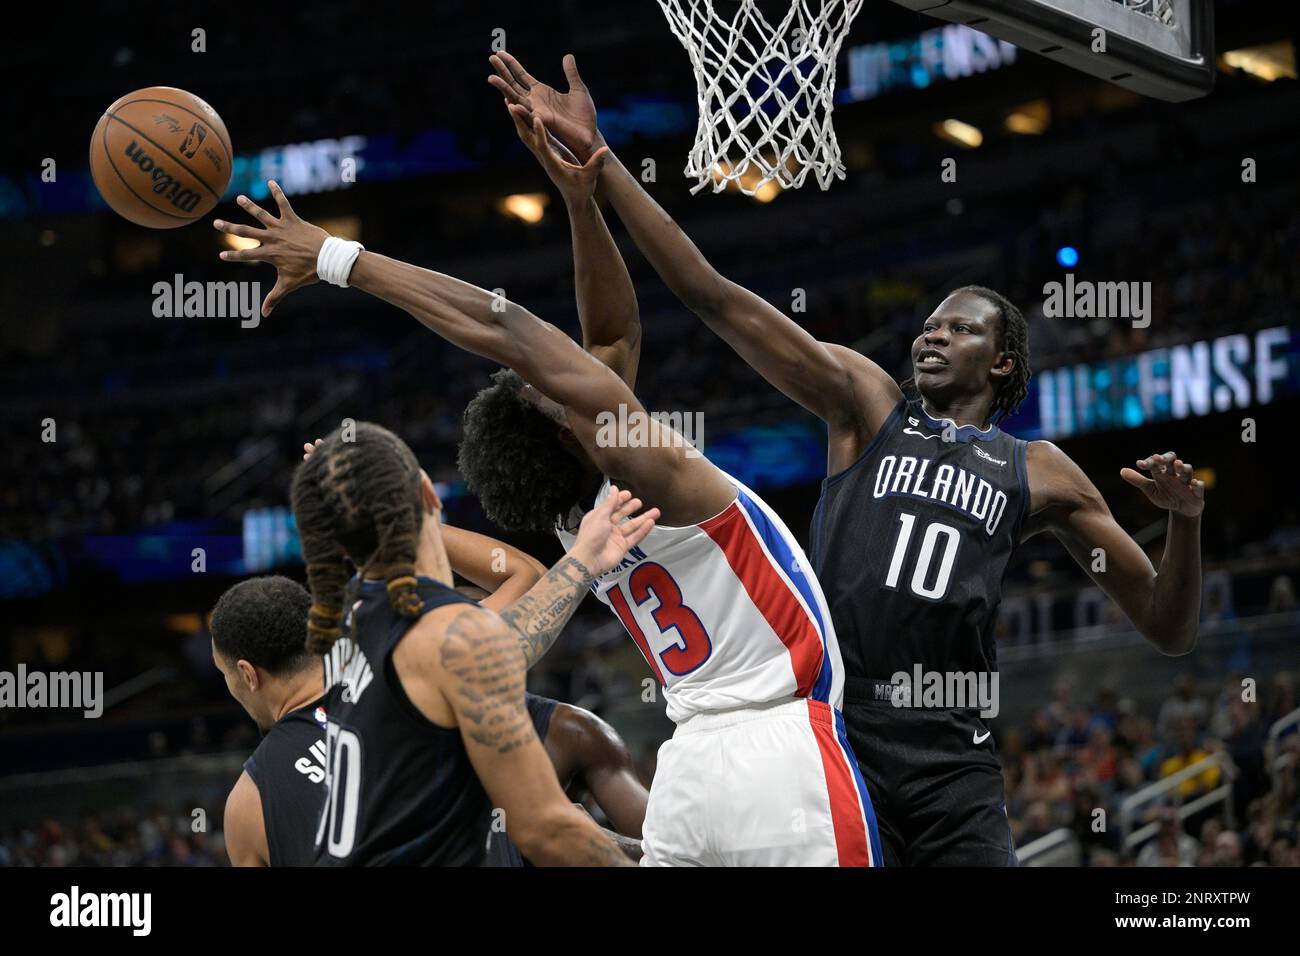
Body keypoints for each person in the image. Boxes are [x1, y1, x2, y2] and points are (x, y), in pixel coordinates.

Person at [483, 50, 1206, 866]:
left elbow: (1169, 627)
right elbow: (711, 294)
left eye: (961, 327)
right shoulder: (868, 406)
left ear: (1003, 362)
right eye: (929, 323)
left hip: (952, 765)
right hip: (836, 737)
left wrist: (1183, 524)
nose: (933, 332)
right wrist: (605, 166)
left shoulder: (1039, 471)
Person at [214, 176, 879, 866]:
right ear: (570, 433)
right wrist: (336, 257)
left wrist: (580, 199)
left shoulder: (575, 522)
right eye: (558, 396)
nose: (576, 378)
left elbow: (614, 336)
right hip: (780, 755)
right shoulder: (649, 473)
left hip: (690, 774)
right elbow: (513, 331)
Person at [289, 420, 653, 865]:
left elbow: (502, 641)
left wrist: (583, 560)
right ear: (428, 491)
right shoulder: (448, 637)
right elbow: (546, 830)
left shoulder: (354, 620)